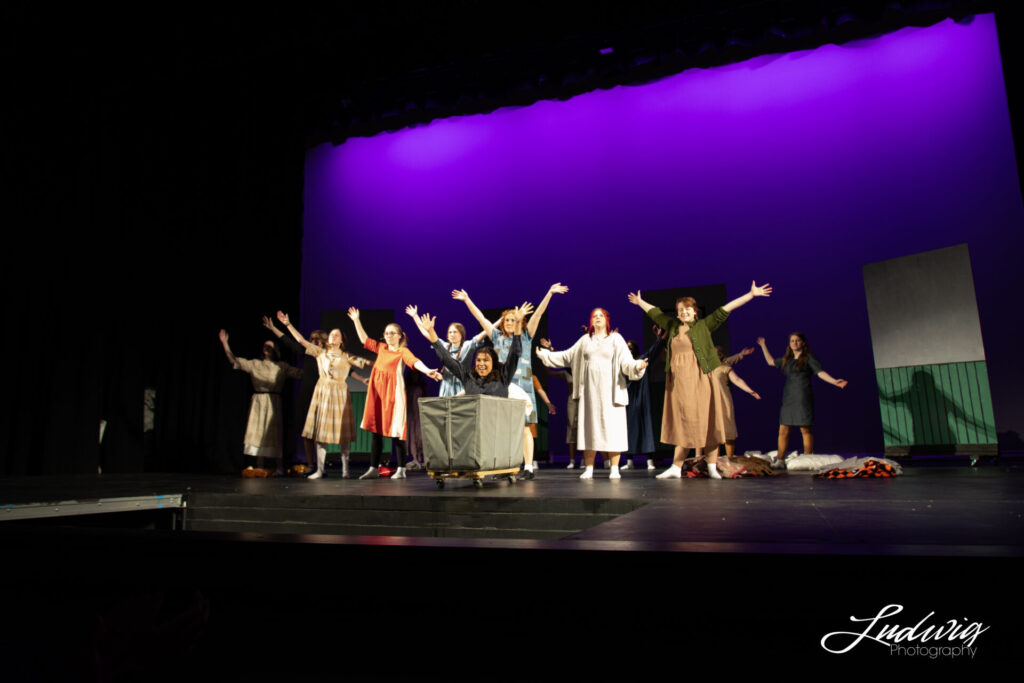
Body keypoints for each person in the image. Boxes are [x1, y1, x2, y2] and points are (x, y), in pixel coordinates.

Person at [627, 281, 771, 480]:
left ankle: (711, 466)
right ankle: (676, 467)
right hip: (679, 382)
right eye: (680, 310)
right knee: (683, 422)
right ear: (677, 314)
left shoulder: (704, 325)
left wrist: (751, 295)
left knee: (709, 421)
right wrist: (640, 302)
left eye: (688, 309)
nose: (684, 312)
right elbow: (655, 313)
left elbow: (725, 309)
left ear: (695, 312)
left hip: (701, 379)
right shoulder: (672, 326)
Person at [452, 283, 568, 479]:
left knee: (523, 427)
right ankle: (506, 466)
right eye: (507, 320)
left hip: (523, 387)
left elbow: (538, 315)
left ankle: (529, 467)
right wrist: (467, 300)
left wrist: (548, 293)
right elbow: (480, 318)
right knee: (503, 429)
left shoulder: (526, 336)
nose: (509, 322)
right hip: (501, 389)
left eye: (514, 320)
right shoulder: (496, 337)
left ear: (519, 322)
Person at [536, 308, 648, 480]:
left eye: (600, 315)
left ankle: (615, 468)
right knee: (590, 429)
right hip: (591, 393)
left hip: (611, 392)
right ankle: (589, 468)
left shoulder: (615, 339)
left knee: (613, 429)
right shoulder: (585, 340)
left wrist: (637, 366)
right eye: (594, 316)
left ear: (607, 319)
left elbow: (627, 362)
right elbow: (567, 356)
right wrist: (547, 355)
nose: (597, 318)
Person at [347, 308, 443, 480]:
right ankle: (373, 468)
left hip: (394, 393)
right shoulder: (382, 347)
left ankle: (400, 468)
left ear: (400, 335)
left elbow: (415, 362)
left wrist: (428, 370)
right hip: (377, 392)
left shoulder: (402, 351)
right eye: (387, 333)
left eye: (393, 333)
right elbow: (364, 339)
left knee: (398, 430)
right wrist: (356, 320)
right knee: (376, 430)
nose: (389, 336)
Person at [275, 312, 371, 479]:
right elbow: (300, 341)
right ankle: (319, 469)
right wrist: (288, 324)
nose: (333, 336)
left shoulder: (347, 356)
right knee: (320, 432)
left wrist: (364, 378)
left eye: (337, 335)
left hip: (340, 393)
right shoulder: (320, 352)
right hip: (323, 392)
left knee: (343, 432)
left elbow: (365, 363)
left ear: (341, 340)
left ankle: (345, 469)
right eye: (332, 334)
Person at [218, 329, 301, 475]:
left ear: (275, 350)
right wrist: (225, 343)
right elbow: (234, 360)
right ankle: (260, 465)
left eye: (270, 346)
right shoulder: (255, 364)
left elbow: (300, 373)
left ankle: (279, 466)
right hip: (258, 400)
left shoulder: (281, 366)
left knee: (274, 432)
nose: (267, 348)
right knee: (257, 431)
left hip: (273, 400)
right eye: (265, 346)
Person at [756, 332, 847, 460]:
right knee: (783, 429)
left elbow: (820, 372)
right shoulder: (787, 359)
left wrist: (834, 381)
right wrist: (763, 346)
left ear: (803, 342)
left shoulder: (809, 358)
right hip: (788, 397)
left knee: (805, 429)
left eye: (797, 340)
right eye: (792, 341)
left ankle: (808, 458)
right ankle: (780, 459)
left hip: (802, 396)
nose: (795, 343)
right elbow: (771, 362)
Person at [413, 306, 527, 396]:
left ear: (494, 363)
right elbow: (446, 359)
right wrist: (431, 330)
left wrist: (517, 324)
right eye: (479, 360)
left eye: (486, 360)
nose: (481, 363)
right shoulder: (469, 378)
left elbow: (514, 354)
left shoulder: (503, 378)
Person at [406, 306, 487, 399]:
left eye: (455, 332)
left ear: (461, 334)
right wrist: (415, 316)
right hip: (446, 387)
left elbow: (485, 332)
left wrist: (499, 322)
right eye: (450, 332)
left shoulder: (467, 346)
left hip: (462, 386)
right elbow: (426, 332)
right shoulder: (443, 346)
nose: (452, 334)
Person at [620, 328, 668, 471]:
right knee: (628, 429)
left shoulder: (642, 360)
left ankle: (649, 461)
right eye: (626, 347)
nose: (629, 349)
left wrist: (660, 337)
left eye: (631, 347)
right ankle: (629, 461)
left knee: (645, 428)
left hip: (642, 399)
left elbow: (655, 349)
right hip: (627, 399)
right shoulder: (621, 364)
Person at [710, 345, 762, 459]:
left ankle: (730, 459)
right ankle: (713, 462)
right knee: (713, 434)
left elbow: (737, 380)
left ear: (720, 356)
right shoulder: (705, 368)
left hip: (723, 401)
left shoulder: (725, 368)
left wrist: (750, 391)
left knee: (728, 431)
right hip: (709, 404)